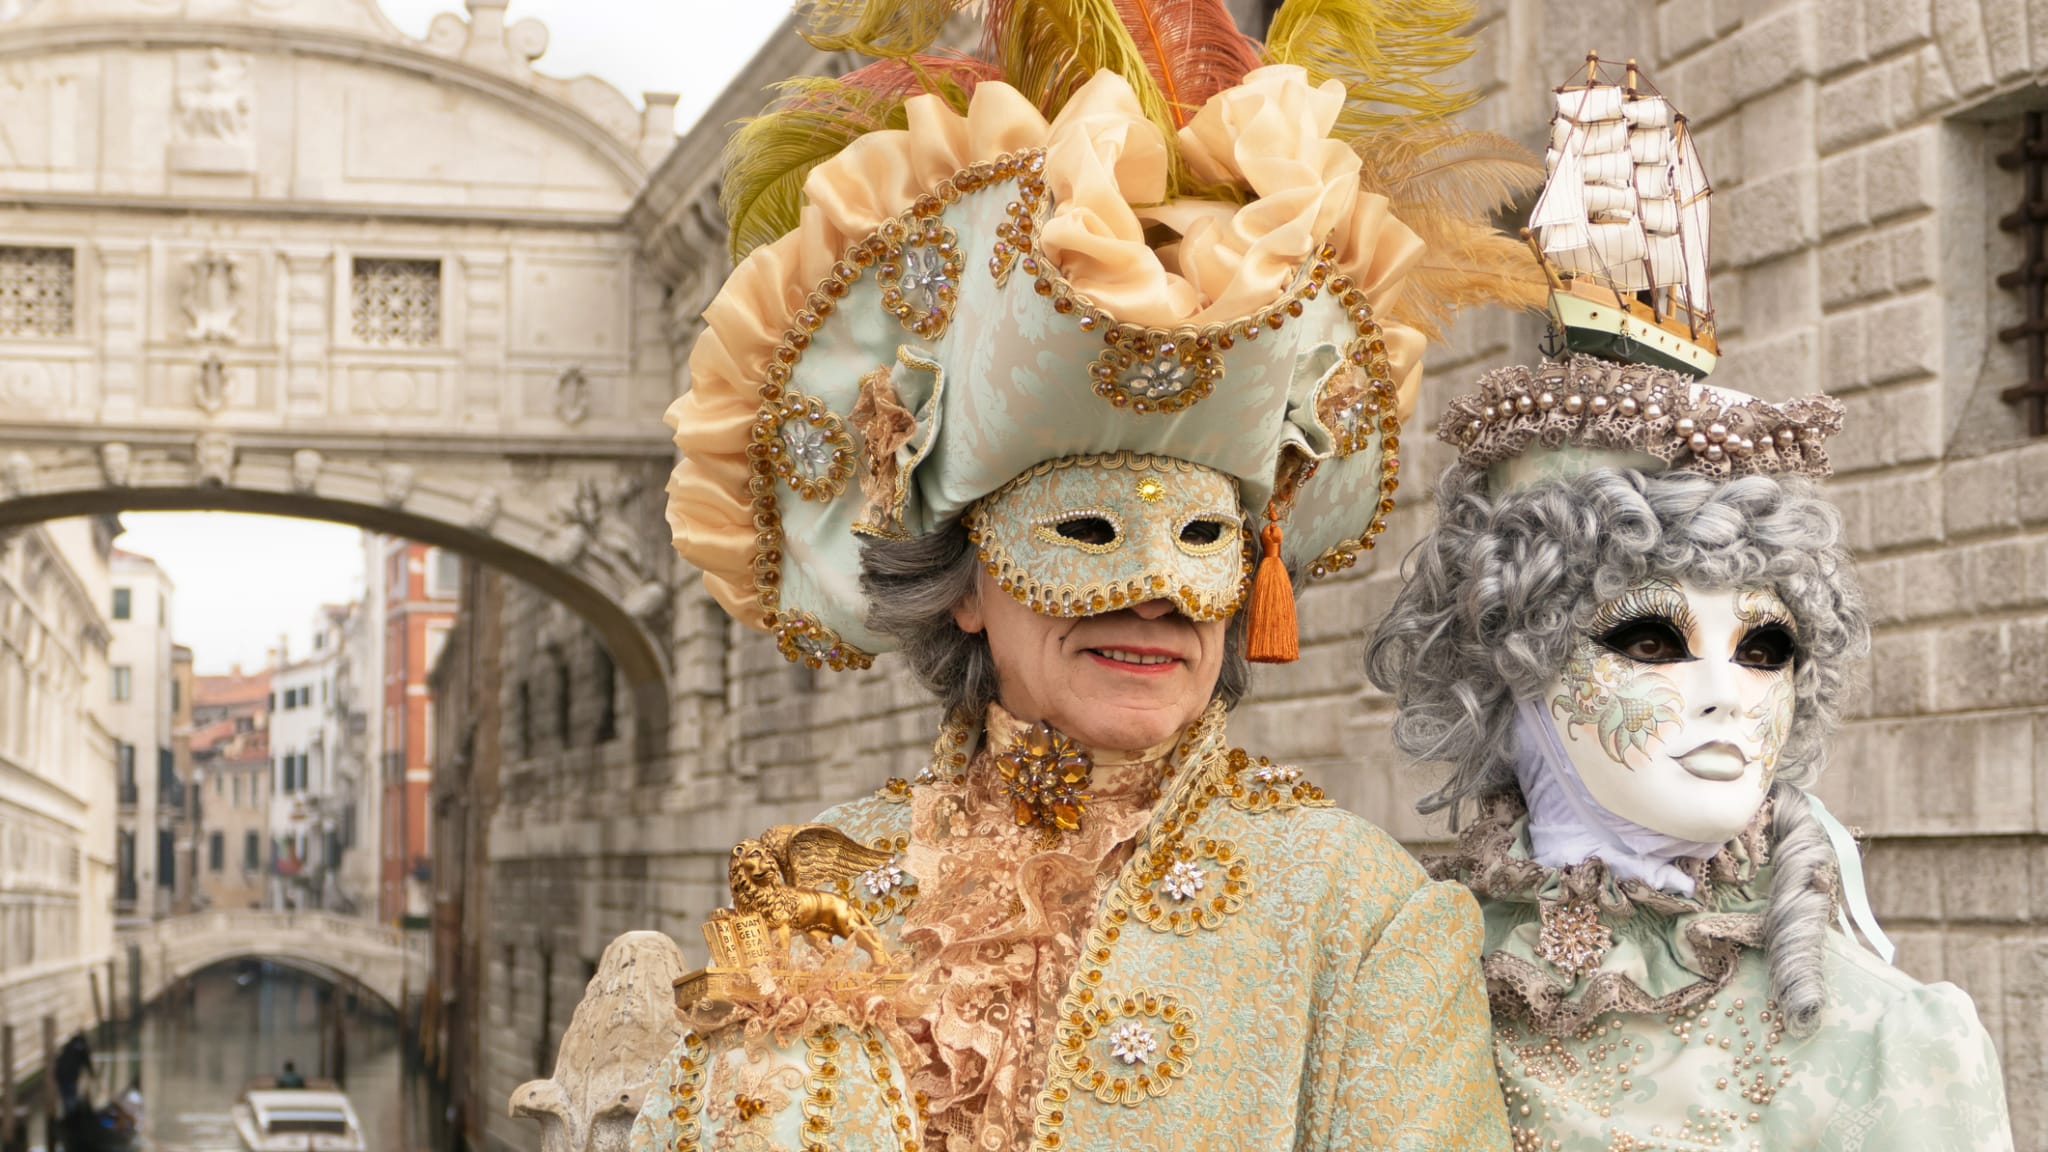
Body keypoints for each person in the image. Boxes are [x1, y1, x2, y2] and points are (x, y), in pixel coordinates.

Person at [626, 1, 1546, 1147]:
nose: (1156, 593)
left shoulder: (1354, 916)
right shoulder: (820, 894)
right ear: (962, 583)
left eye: (1205, 541)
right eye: (1089, 535)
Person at [1366, 355, 2017, 1149]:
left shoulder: (1889, 1038)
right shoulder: (1399, 978)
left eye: (1765, 648)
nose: (1727, 693)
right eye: (1650, 638)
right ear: (1509, 672)